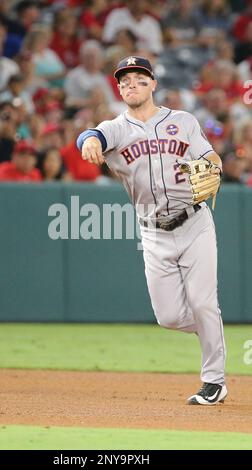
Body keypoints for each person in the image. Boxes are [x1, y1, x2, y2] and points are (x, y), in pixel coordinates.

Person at [77, 56, 227, 406]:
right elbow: (92, 134)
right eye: (125, 80)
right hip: (154, 232)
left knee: (204, 302)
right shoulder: (116, 128)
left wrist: (214, 170)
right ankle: (211, 329)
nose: (132, 84)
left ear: (153, 84)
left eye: (140, 78)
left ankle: (214, 381)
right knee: (169, 317)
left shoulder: (183, 121)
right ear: (119, 88)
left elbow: (212, 158)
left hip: (195, 223)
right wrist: (88, 140)